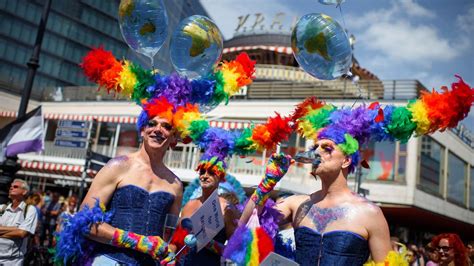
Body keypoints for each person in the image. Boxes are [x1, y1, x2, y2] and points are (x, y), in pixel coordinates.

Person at [176, 156, 240, 265]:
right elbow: (176, 243)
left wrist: (210, 244)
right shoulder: (189, 205)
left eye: (211, 172)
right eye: (202, 172)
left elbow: (235, 250)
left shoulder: (226, 208)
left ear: (220, 177)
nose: (205, 176)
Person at [0, 179, 38, 265]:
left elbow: (22, 233)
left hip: (13, 261)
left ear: (24, 192)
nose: (11, 188)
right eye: (11, 187)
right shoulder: (2, 208)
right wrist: (14, 229)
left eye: (15, 187)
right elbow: (19, 231)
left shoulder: (30, 210)